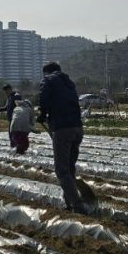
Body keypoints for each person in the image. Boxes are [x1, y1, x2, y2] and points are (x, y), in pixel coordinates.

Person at [37, 62, 88, 214]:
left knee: (61, 170)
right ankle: (69, 202)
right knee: (69, 167)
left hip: (62, 129)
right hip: (77, 128)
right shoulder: (69, 82)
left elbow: (43, 98)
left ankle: (78, 206)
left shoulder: (48, 80)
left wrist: (42, 114)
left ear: (46, 72)